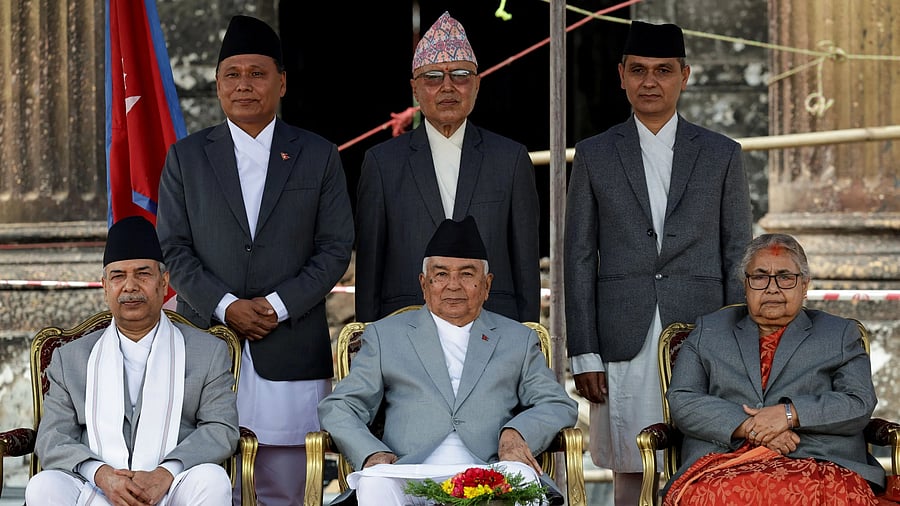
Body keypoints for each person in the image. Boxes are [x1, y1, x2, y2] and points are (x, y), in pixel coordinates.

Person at [156, 14, 354, 506]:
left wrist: (276, 306)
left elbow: (334, 247)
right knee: (204, 484)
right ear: (218, 84)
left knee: (286, 488)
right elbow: (173, 248)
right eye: (232, 74)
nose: (244, 84)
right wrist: (226, 306)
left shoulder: (318, 155)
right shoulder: (186, 158)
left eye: (257, 73)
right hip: (206, 345)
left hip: (289, 343)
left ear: (281, 82)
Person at [563, 20, 753, 504]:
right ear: (621, 75)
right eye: (639, 70)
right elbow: (578, 257)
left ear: (684, 76)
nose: (650, 82)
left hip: (704, 333)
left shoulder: (722, 154)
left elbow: (738, 254)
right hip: (622, 336)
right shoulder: (594, 154)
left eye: (663, 70)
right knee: (630, 464)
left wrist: (739, 347)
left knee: (706, 462)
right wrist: (584, 354)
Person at [318, 216, 577, 506]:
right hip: (408, 471)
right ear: (424, 283)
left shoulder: (517, 339)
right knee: (375, 482)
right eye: (441, 274)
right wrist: (372, 453)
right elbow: (339, 406)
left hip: (489, 470)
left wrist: (517, 432)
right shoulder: (385, 336)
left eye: (467, 274)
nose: (453, 285)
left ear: (487, 284)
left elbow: (557, 403)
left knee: (523, 479)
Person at [663, 233, 892, 505]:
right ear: (745, 285)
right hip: (724, 461)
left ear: (804, 285)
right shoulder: (710, 331)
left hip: (818, 460)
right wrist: (749, 426)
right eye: (760, 277)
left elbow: (858, 402)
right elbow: (683, 399)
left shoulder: (839, 334)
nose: (772, 288)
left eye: (785, 277)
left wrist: (789, 414)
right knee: (724, 494)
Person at [25, 215, 238, 505]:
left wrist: (166, 472)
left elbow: (221, 428)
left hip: (173, 487)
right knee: (43, 486)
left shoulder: (207, 352)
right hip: (98, 490)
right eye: (118, 276)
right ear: (105, 287)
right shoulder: (70, 358)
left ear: (164, 282)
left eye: (143, 274)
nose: (130, 286)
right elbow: (52, 436)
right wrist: (101, 474)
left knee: (213, 480)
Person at [354, 11, 540, 323]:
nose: (447, 87)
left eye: (460, 75)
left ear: (477, 85)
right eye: (433, 77)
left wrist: (527, 339)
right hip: (406, 330)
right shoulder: (382, 164)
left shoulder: (510, 159)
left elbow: (526, 268)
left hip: (494, 330)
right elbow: (369, 272)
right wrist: (370, 341)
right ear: (415, 89)